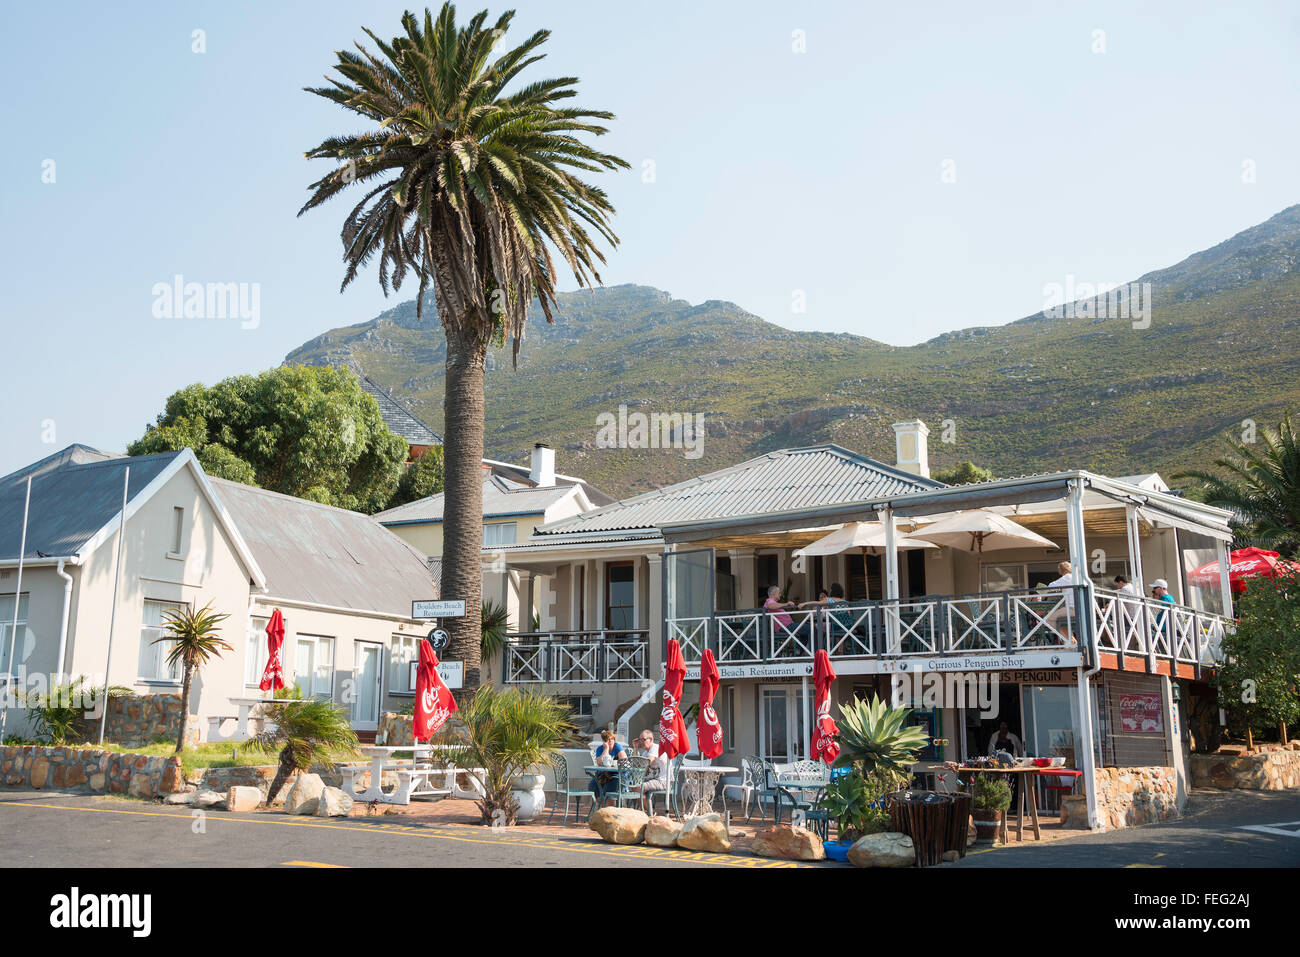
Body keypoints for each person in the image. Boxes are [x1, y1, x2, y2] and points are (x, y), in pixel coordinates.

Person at [588, 729, 627, 803]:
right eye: (608, 740)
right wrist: (606, 749)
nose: (611, 741)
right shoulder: (600, 749)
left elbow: (624, 760)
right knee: (592, 785)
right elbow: (599, 762)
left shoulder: (617, 747)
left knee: (609, 787)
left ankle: (609, 809)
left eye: (612, 739)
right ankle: (602, 808)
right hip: (603, 775)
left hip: (616, 775)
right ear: (604, 741)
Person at [635, 729, 669, 804]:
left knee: (637, 788)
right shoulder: (646, 752)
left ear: (651, 740)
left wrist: (639, 764)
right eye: (640, 740)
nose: (641, 742)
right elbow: (636, 764)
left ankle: (648, 812)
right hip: (656, 779)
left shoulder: (655, 748)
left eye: (643, 740)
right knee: (633, 785)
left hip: (664, 781)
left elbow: (647, 762)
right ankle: (646, 810)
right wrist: (635, 747)